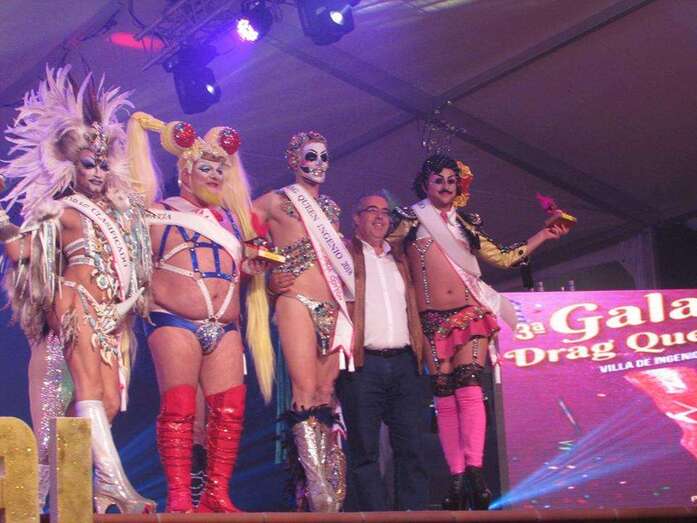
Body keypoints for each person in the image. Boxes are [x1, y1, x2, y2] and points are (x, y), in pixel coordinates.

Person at [0, 67, 155, 513]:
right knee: (71, 408)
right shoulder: (62, 210)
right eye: (89, 164)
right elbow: (21, 251)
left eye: (104, 164)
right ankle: (117, 486)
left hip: (109, 322)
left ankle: (82, 494)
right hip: (73, 308)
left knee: (106, 406)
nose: (98, 172)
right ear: (71, 166)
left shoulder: (124, 217)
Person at [392, 153, 569, 510]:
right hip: (429, 320)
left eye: (451, 180)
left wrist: (544, 234)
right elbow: (381, 250)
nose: (445, 186)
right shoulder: (408, 221)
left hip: (469, 311)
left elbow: (504, 256)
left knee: (470, 385)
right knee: (444, 396)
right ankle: (457, 478)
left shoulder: (467, 224)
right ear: (425, 184)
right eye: (438, 180)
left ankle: (474, 471)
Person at [127, 112, 274, 513]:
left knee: (229, 414)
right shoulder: (158, 212)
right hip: (174, 321)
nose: (215, 176)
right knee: (180, 410)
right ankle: (179, 496)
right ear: (185, 173)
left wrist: (251, 268)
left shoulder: (234, 224)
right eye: (205, 168)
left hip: (224, 326)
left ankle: (216, 494)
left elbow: (233, 269)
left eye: (220, 170)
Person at [254, 131, 352, 512]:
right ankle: (316, 485)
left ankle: (326, 483)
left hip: (331, 304)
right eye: (312, 156)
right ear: (294, 160)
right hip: (295, 299)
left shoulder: (332, 208)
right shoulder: (274, 200)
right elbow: (241, 236)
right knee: (305, 388)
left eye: (325, 157)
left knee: (326, 391)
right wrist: (268, 277)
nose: (319, 164)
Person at [336, 194, 429, 511]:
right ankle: (374, 516)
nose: (380, 218)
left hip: (405, 363)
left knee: (412, 447)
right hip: (363, 365)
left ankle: (412, 515)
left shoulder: (400, 259)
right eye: (371, 211)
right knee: (365, 451)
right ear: (356, 217)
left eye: (385, 213)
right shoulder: (344, 255)